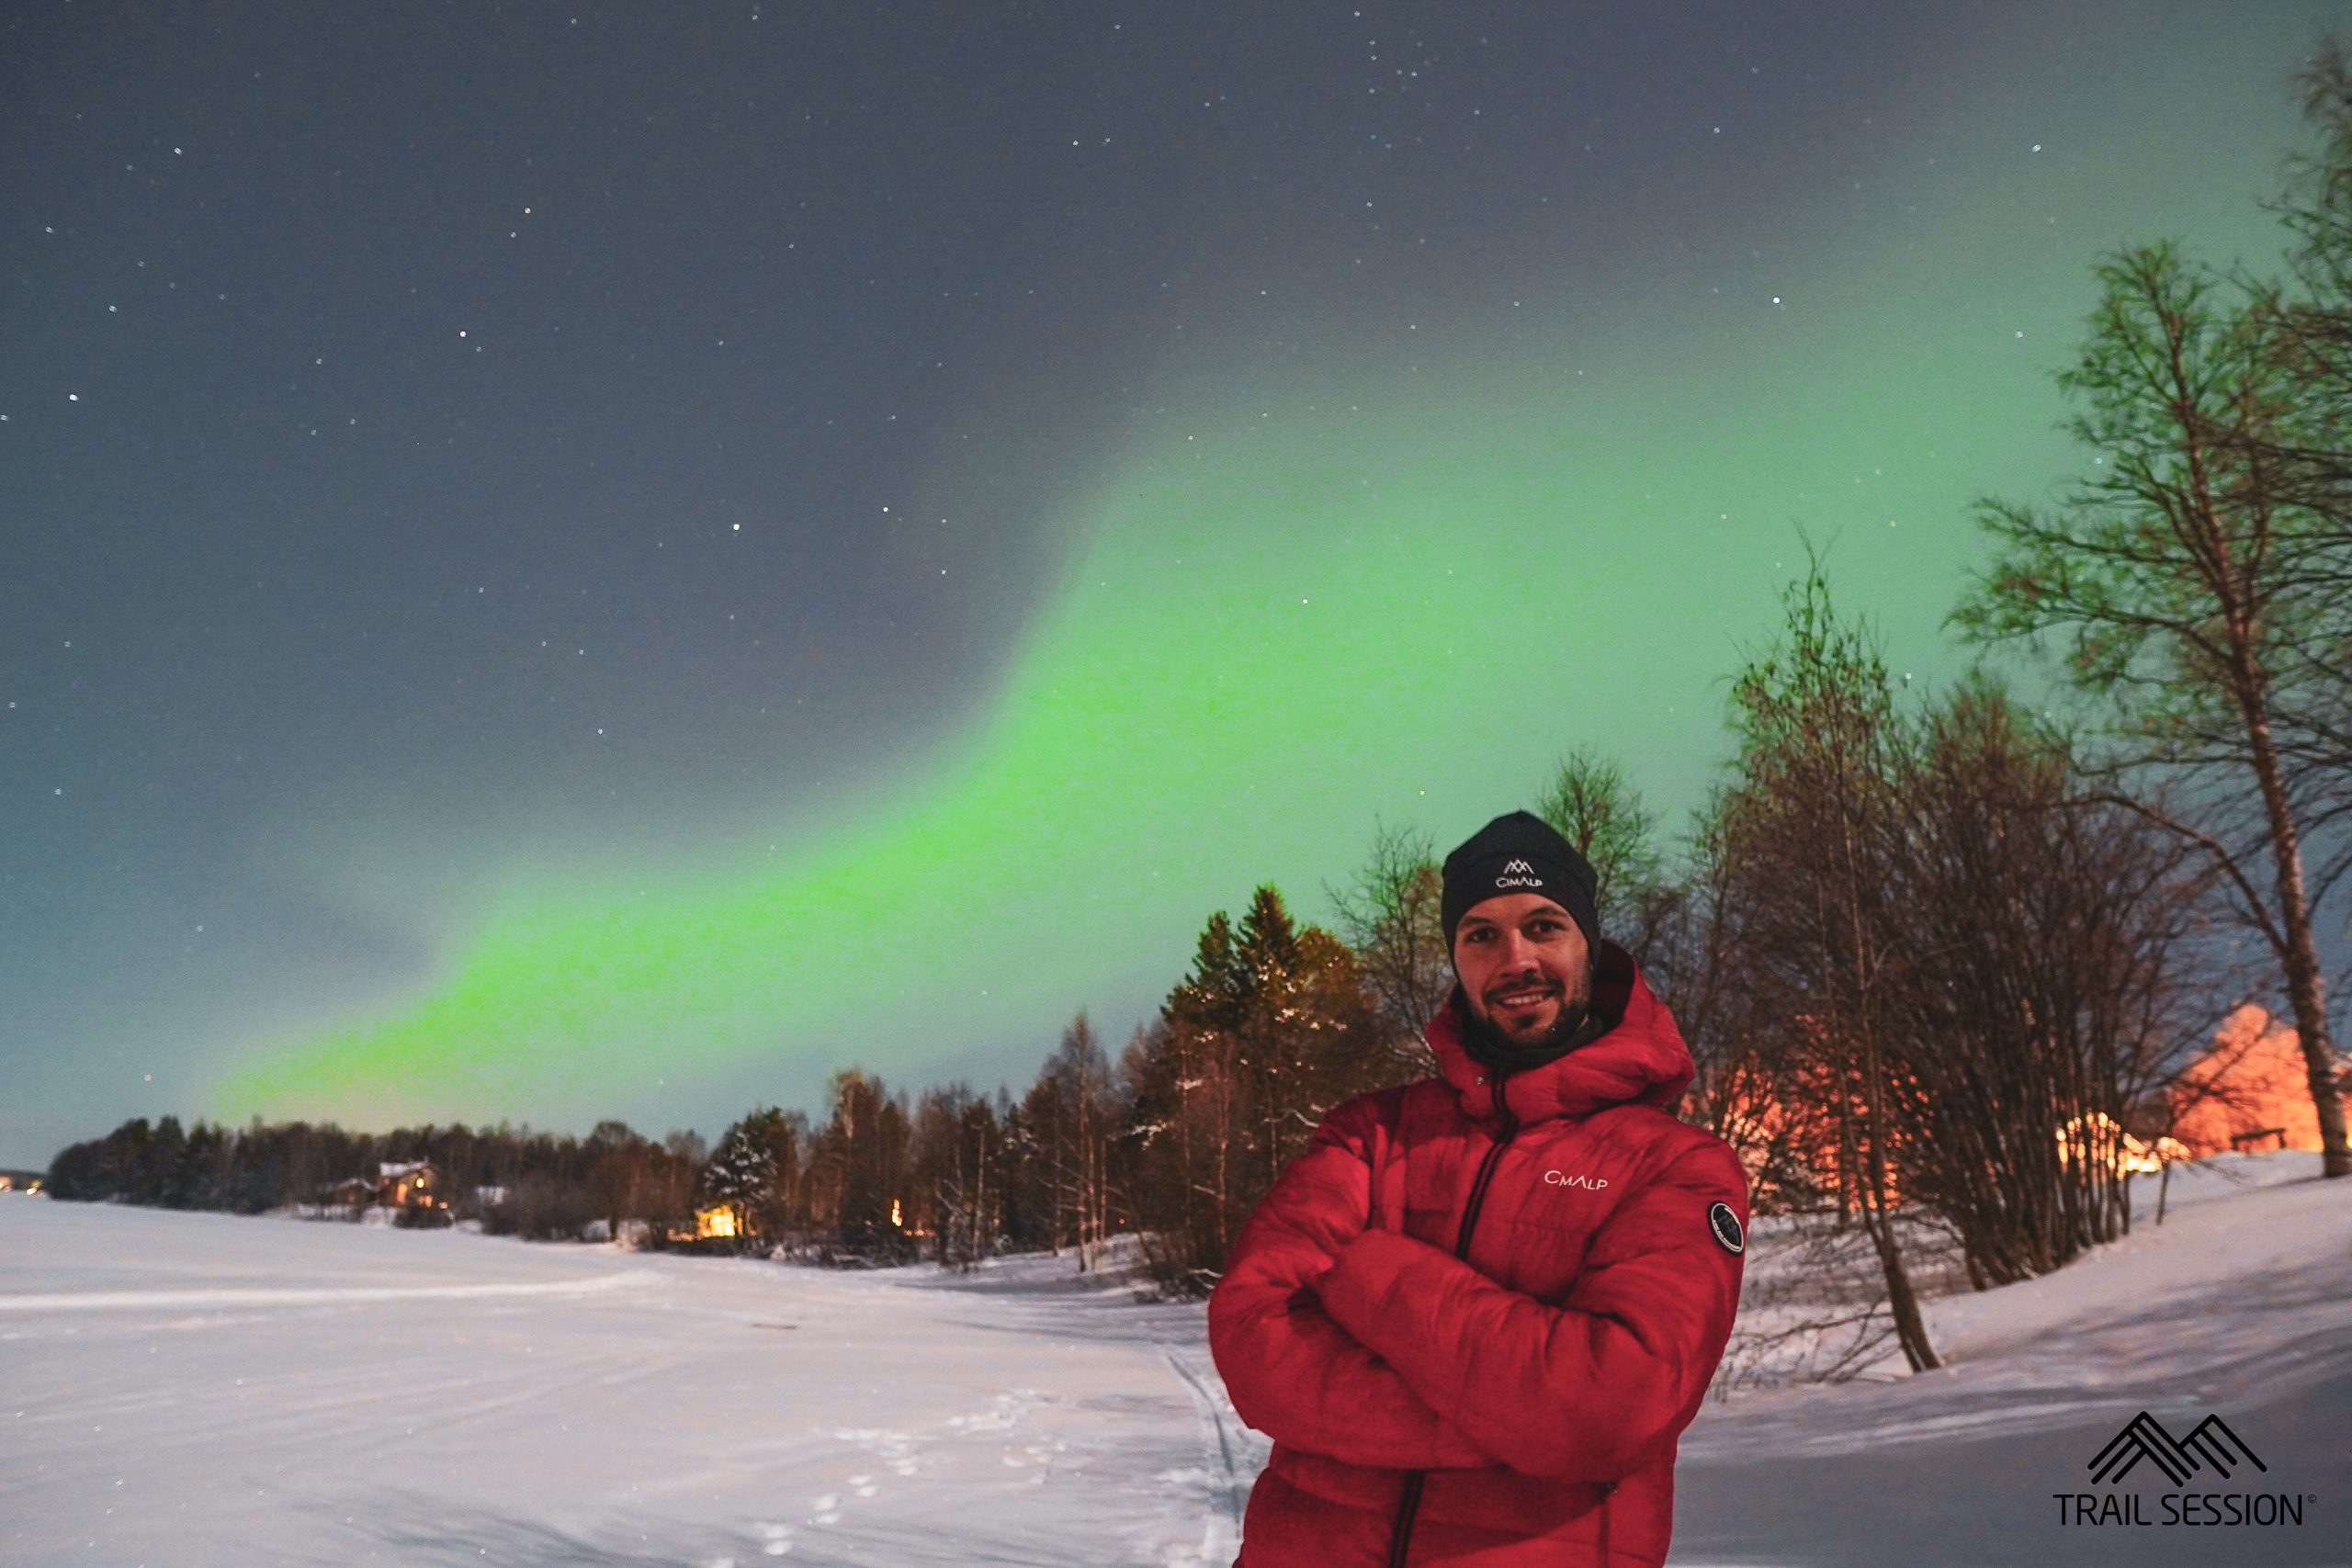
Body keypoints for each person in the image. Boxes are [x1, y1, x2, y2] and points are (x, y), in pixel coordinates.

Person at [1207, 810, 1748, 1567]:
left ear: (1589, 943)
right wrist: (1514, 1427)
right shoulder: (1371, 1132)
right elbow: (1253, 1339)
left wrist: (1366, 1271)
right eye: (1481, 933)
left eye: (1543, 925)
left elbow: (1609, 1409)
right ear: (1456, 959)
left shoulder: (1678, 1166)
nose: (1515, 958)